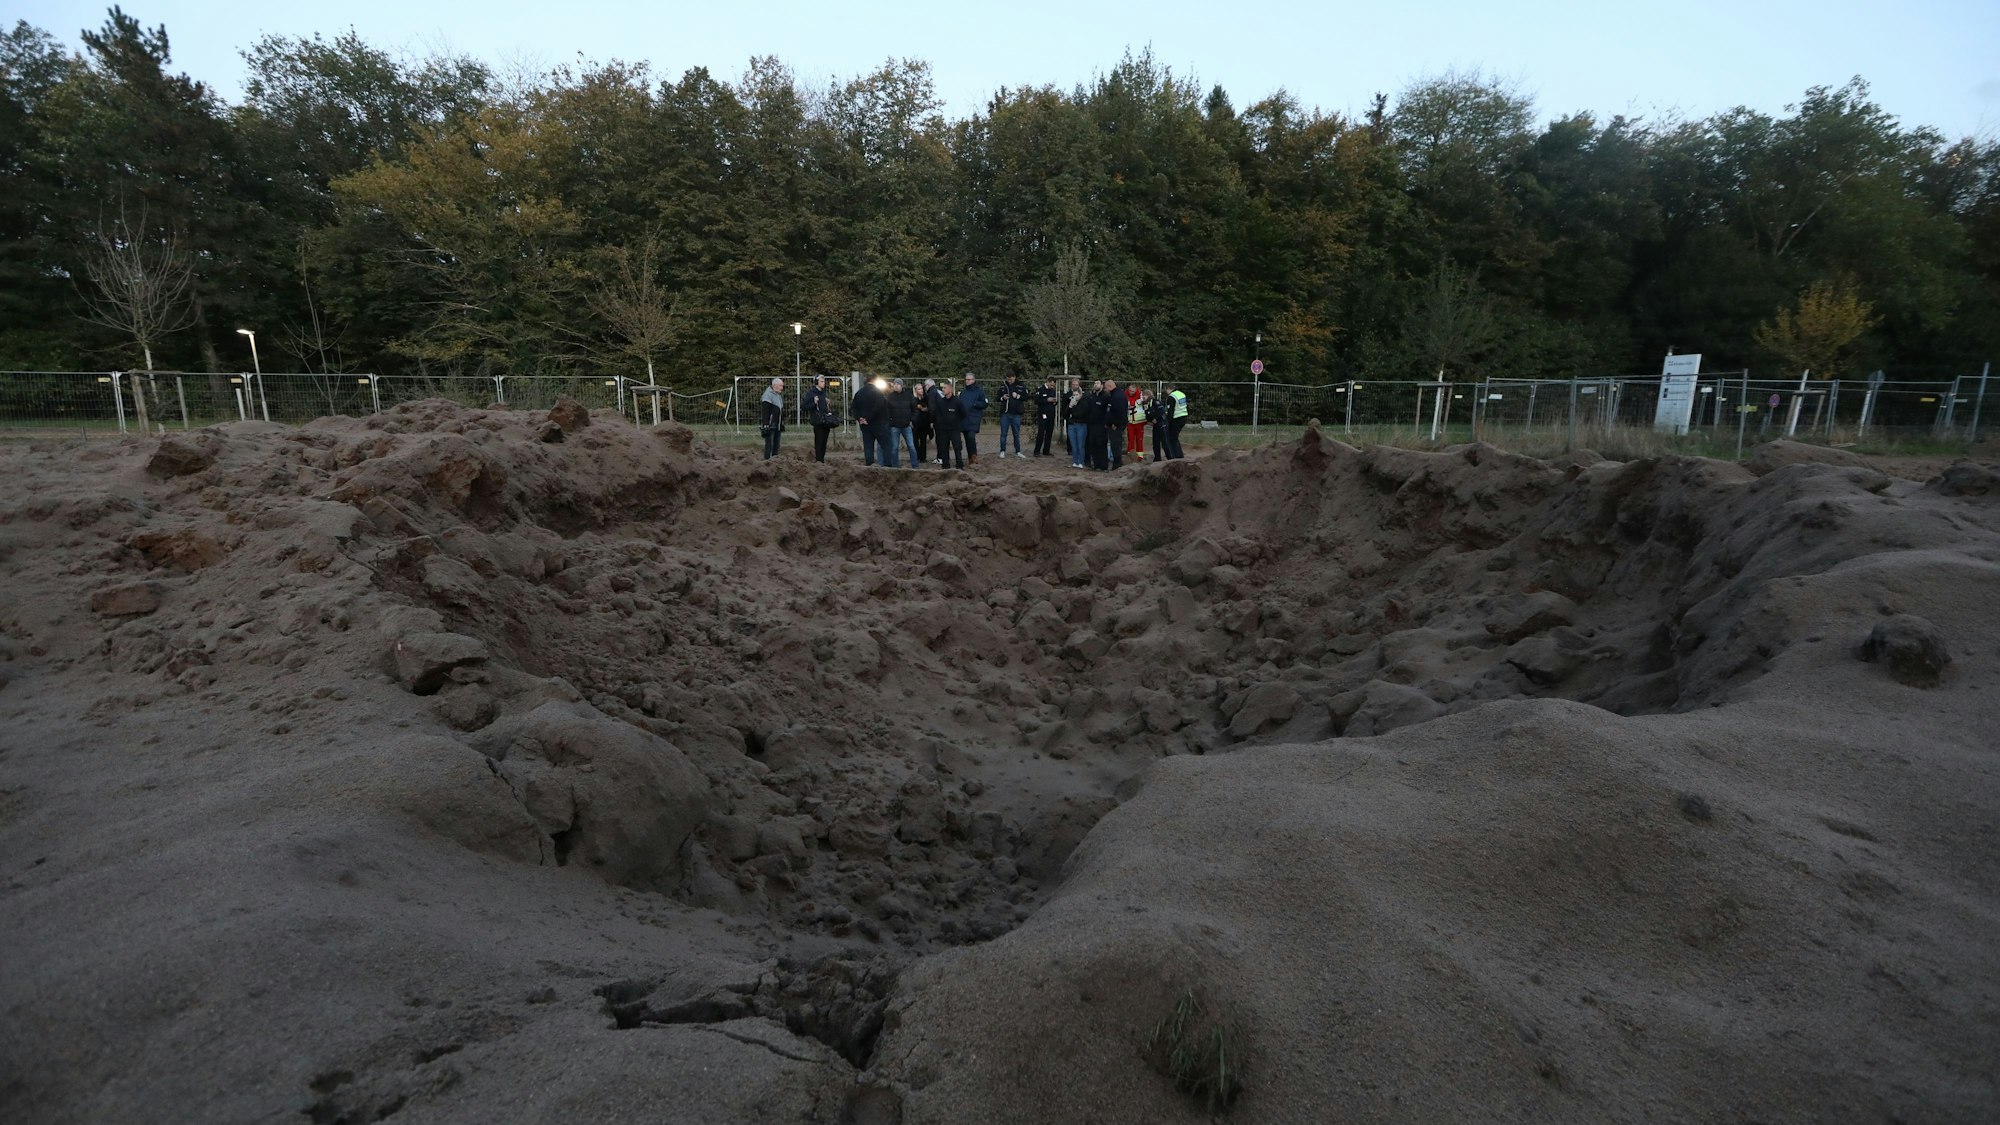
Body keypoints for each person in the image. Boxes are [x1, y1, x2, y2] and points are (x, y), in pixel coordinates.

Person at [850, 376, 888, 466]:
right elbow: (878, 407)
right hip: (878, 424)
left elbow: (853, 408)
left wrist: (860, 418)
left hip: (864, 425)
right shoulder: (878, 393)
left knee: (868, 447)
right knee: (885, 445)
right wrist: (868, 418)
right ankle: (887, 466)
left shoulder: (859, 393)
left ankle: (869, 466)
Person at [803, 373, 838, 462]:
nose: (824, 383)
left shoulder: (823, 393)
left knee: (824, 443)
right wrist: (814, 403)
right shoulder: (811, 393)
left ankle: (822, 460)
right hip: (817, 422)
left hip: (825, 421)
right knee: (819, 442)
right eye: (821, 381)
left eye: (824, 381)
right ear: (816, 382)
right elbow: (804, 407)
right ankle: (818, 461)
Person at [932, 380, 966, 469]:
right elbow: (937, 414)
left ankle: (959, 466)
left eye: (945, 388)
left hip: (954, 429)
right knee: (944, 449)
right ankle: (946, 467)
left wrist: (956, 422)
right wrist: (940, 424)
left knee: (957, 448)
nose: (943, 389)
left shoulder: (957, 402)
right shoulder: (940, 402)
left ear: (950, 389)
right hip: (943, 430)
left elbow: (963, 414)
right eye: (942, 388)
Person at [886, 378, 917, 469]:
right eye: (894, 384)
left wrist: (912, 420)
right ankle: (895, 466)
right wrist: (890, 421)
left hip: (906, 425)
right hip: (894, 426)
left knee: (911, 446)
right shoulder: (889, 397)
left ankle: (915, 465)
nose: (896, 385)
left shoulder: (908, 396)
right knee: (894, 448)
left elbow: (914, 409)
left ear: (901, 385)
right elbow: (886, 411)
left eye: (898, 384)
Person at [958, 373, 989, 465]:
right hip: (964, 419)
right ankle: (970, 457)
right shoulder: (963, 392)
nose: (967, 381)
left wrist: (975, 404)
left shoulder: (979, 391)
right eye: (966, 379)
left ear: (973, 380)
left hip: (974, 418)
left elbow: (985, 403)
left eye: (969, 379)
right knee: (967, 439)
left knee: (971, 437)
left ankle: (974, 455)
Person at [995, 373, 1026, 457]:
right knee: (1003, 434)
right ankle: (1002, 451)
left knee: (1016, 434)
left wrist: (1018, 396)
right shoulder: (1003, 386)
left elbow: (1026, 397)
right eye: (1008, 379)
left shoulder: (1021, 385)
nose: (1010, 381)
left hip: (1016, 414)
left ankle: (1018, 451)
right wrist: (1003, 397)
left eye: (1011, 379)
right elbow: (997, 398)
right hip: (1005, 414)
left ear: (1014, 378)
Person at [1083, 380, 1111, 471]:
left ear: (1102, 385)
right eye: (1094, 383)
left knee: (1101, 444)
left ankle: (1103, 466)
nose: (1095, 385)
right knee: (1092, 444)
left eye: (1097, 383)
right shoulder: (1092, 396)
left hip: (1102, 425)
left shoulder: (1106, 396)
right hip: (1091, 425)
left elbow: (1108, 410)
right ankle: (1096, 465)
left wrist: (1107, 422)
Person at [758, 377, 785, 460]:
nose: (782, 388)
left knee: (776, 444)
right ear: (775, 386)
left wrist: (781, 422)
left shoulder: (778, 395)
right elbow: (765, 411)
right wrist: (766, 424)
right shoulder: (767, 395)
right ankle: (767, 461)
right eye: (780, 386)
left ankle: (775, 460)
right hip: (770, 424)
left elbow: (779, 410)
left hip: (777, 424)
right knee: (769, 444)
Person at [1065, 380, 1090, 468]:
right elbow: (1065, 414)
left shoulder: (1084, 403)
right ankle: (1075, 461)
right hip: (1072, 425)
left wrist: (1072, 413)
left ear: (1080, 395)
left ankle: (1081, 462)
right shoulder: (1071, 403)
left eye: (1076, 395)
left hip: (1081, 425)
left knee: (1080, 445)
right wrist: (1070, 407)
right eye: (1073, 395)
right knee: (1074, 445)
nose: (1075, 397)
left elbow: (1081, 413)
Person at [1032, 378, 1058, 457]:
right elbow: (1036, 401)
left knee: (1049, 434)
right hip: (1042, 414)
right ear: (1047, 382)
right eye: (1051, 385)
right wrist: (1047, 400)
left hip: (1051, 414)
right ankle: (1037, 451)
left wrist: (1055, 402)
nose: (1052, 386)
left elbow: (1054, 402)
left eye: (1053, 385)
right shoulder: (1041, 389)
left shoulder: (1053, 391)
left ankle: (1046, 451)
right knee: (1041, 433)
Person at [912, 378, 935, 465]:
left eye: (921, 388)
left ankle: (923, 457)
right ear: (915, 390)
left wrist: (926, 409)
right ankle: (917, 457)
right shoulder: (913, 399)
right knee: (915, 441)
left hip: (925, 422)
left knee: (923, 441)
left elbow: (929, 408)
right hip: (916, 423)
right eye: (919, 389)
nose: (921, 390)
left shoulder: (926, 397)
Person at [1165, 382, 1189, 460]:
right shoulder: (1181, 394)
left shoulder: (1171, 397)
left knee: (1172, 438)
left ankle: (1176, 456)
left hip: (1176, 419)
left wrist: (1167, 422)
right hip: (1184, 416)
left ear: (1168, 389)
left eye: (1165, 390)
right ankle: (1178, 455)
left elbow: (1170, 412)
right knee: (1174, 437)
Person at [1125, 382, 1147, 458]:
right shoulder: (1125, 395)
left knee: (1139, 440)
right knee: (1130, 439)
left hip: (1139, 422)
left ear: (1135, 390)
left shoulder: (1141, 396)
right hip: (1130, 422)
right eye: (1130, 391)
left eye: (1132, 391)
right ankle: (1129, 454)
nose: (1131, 393)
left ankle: (1140, 456)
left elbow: (1146, 404)